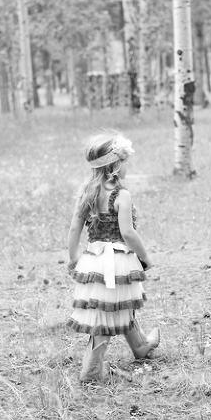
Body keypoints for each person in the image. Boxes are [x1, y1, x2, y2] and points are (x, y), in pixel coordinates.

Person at [67, 132, 160, 382]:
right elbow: (128, 233)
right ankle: (91, 371)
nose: (127, 166)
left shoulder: (87, 191)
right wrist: (145, 257)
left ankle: (140, 345)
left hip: (94, 259)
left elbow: (75, 228)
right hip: (116, 260)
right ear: (116, 166)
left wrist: (72, 256)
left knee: (119, 304)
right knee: (106, 315)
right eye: (125, 161)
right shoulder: (121, 196)